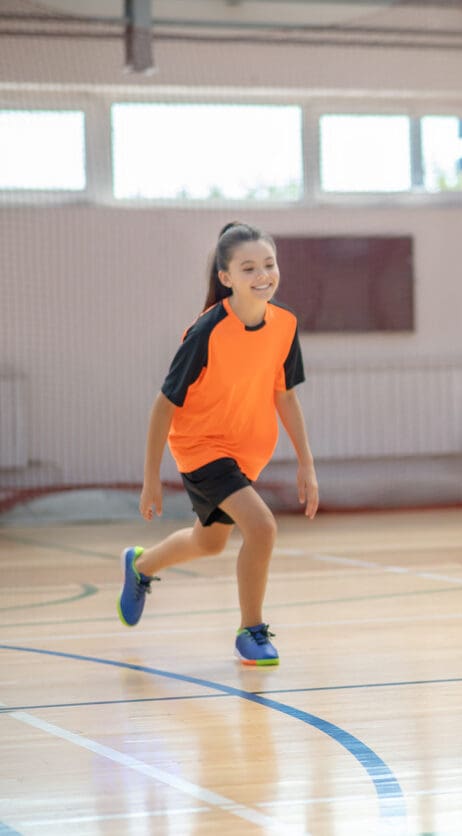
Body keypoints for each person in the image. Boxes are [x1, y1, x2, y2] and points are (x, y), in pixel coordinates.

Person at [118, 222, 319, 666]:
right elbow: (163, 405)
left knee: (208, 542)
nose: (263, 275)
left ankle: (140, 566)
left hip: (246, 453)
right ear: (226, 277)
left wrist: (306, 463)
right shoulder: (207, 331)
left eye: (269, 264)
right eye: (249, 268)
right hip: (201, 448)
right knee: (262, 528)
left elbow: (285, 395)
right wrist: (151, 479)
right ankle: (251, 631)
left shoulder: (285, 325)